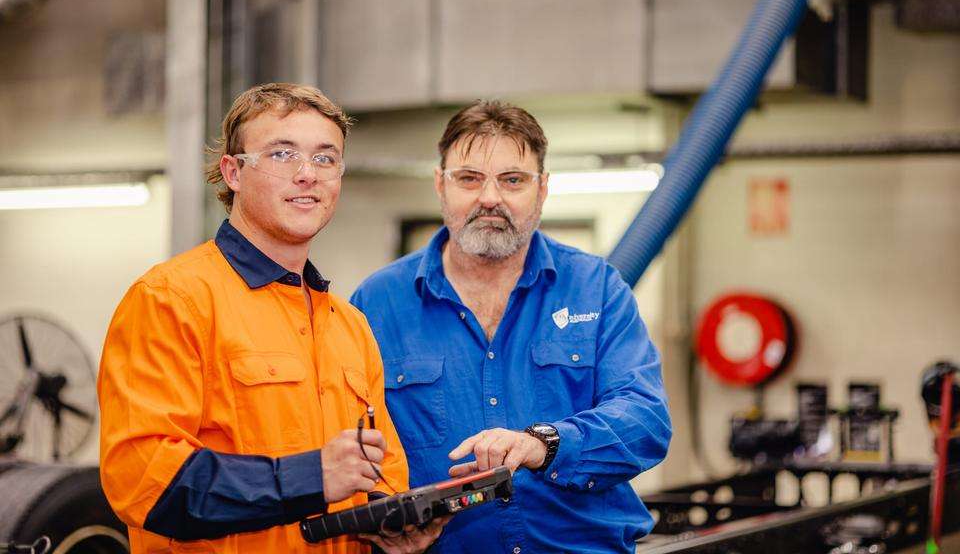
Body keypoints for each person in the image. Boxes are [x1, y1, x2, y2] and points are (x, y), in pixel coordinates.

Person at [98, 83, 444, 554]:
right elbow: (142, 480)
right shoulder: (171, 299)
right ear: (233, 172)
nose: (308, 175)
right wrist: (311, 476)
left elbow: (381, 471)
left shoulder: (349, 325)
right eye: (283, 155)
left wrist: (390, 527)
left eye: (325, 158)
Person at [351, 100, 672, 554]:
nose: (489, 198)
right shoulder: (376, 304)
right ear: (440, 186)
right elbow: (352, 444)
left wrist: (544, 445)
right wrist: (386, 516)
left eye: (513, 180)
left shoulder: (597, 290)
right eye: (469, 178)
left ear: (542, 190)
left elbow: (646, 420)